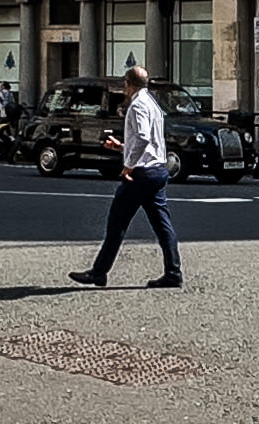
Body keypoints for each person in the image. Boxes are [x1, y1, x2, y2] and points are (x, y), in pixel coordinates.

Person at [68, 67, 183, 290]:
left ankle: (99, 273)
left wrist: (128, 165)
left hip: (141, 173)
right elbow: (151, 142)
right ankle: (173, 272)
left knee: (117, 222)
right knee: (163, 225)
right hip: (157, 169)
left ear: (128, 84)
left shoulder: (137, 105)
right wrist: (122, 147)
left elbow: (142, 138)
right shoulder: (152, 103)